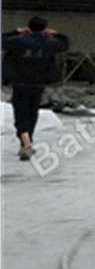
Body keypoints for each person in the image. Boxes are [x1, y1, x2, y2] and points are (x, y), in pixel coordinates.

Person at [3, 17, 68, 161]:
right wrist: (55, 34)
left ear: (28, 27)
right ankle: (28, 140)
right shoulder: (50, 43)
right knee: (32, 112)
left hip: (19, 82)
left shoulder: (17, 40)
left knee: (21, 113)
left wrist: (16, 31)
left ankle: (25, 142)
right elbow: (65, 43)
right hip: (38, 83)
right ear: (44, 28)